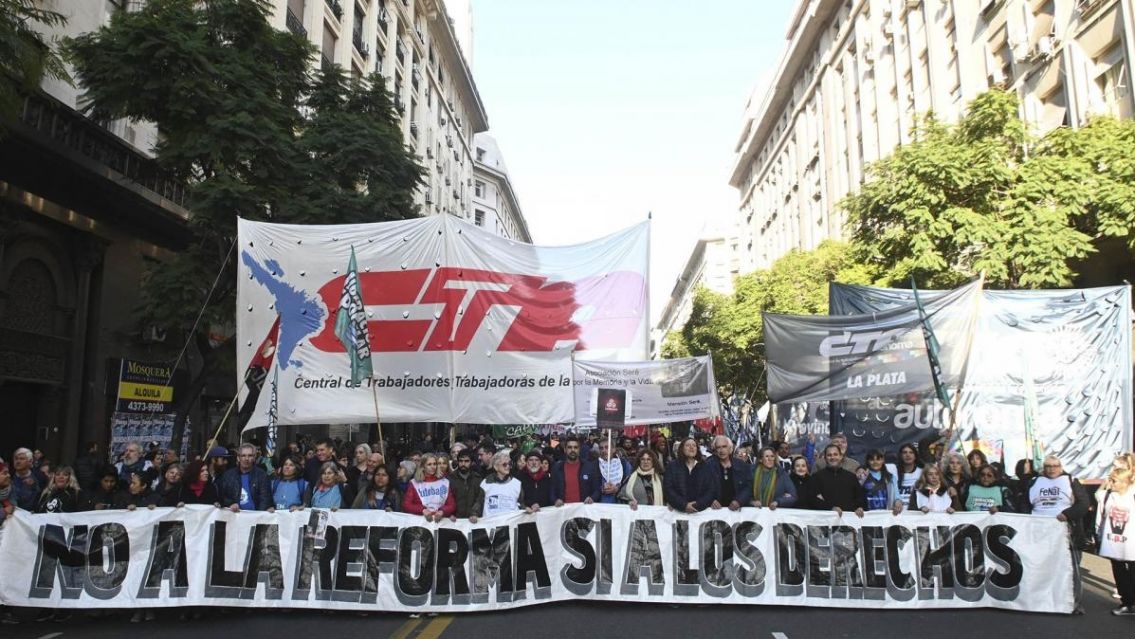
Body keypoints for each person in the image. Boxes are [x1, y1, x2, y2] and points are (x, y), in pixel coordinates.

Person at [1027, 455, 1089, 613]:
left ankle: (1073, 604)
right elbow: (1024, 502)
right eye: (1048, 466)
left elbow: (1084, 503)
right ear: (1043, 468)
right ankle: (1043, 601)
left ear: (1061, 467)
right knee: (1041, 567)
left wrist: (1068, 514)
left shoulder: (1071, 480)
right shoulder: (1034, 481)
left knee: (1070, 570)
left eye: (1055, 466)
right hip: (1040, 532)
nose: (1051, 469)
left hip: (1068, 532)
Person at [1096, 453, 1135, 616]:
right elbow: (1101, 511)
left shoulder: (1132, 494)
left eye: (1114, 480)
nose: (1110, 483)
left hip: (1131, 541)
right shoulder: (1108, 495)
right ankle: (1127, 602)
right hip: (1113, 541)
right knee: (1119, 572)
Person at [806, 444, 864, 516]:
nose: (832, 457)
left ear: (841, 456)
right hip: (826, 522)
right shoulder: (817, 477)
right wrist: (830, 508)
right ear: (825, 458)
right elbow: (812, 499)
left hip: (849, 522)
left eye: (835, 454)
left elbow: (859, 497)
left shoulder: (851, 477)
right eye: (829, 455)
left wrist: (858, 507)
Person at [218, 443, 275, 512]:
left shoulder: (262, 475)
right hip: (233, 517)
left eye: (250, 455)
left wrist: (258, 516)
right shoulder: (228, 475)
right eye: (243, 456)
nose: (246, 459)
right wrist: (230, 503)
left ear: (254, 458)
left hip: (255, 518)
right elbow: (221, 497)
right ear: (238, 458)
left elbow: (265, 499)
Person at [663, 436, 713, 513]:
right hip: (678, 512)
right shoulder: (672, 466)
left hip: (700, 512)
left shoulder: (705, 466)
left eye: (694, 445)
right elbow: (668, 489)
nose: (691, 447)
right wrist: (684, 505)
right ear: (682, 448)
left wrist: (698, 504)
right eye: (688, 445)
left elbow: (710, 490)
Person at [702, 435, 752, 511]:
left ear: (730, 448)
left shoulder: (741, 465)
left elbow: (748, 486)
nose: (721, 450)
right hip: (715, 512)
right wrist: (710, 500)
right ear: (715, 450)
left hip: (738, 511)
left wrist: (739, 501)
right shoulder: (708, 465)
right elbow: (702, 487)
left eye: (724, 446)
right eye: (718, 447)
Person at [403, 453, 455, 522]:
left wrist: (442, 511)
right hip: (420, 523)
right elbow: (407, 505)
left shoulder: (445, 482)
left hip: (440, 522)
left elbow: (452, 504)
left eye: (434, 464)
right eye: (429, 464)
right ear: (423, 466)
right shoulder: (414, 483)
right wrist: (422, 510)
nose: (433, 467)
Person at [552, 436, 600, 506]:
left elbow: (597, 489)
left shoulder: (589, 467)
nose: (573, 450)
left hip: (583, 510)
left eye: (575, 447)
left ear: (579, 449)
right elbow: (552, 490)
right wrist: (555, 500)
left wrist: (592, 498)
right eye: (569, 447)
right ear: (565, 449)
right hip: (563, 510)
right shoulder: (557, 468)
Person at [480, 450, 529, 518]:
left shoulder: (516, 483)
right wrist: (474, 514)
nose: (508, 466)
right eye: (504, 464)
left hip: (511, 524)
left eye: (509, 464)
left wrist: (526, 508)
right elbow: (479, 503)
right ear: (496, 467)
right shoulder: (486, 482)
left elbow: (521, 503)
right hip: (491, 525)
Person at [449, 449, 484, 520]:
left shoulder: (478, 479)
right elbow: (448, 499)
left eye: (466, 461)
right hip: (454, 520)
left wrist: (475, 513)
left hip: (473, 520)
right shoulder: (450, 479)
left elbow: (479, 499)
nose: (463, 464)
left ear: (472, 462)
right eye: (461, 461)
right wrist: (450, 514)